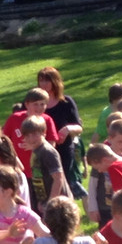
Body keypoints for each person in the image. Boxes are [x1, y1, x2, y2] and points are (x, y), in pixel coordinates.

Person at [39, 67, 85, 200]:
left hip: (63, 149)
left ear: (55, 82)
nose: (44, 84)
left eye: (47, 80)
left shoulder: (66, 102)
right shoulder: (34, 103)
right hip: (40, 149)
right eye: (41, 81)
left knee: (61, 181)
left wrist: (67, 129)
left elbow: (78, 126)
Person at [20, 115, 66, 215]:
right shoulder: (36, 150)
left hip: (58, 202)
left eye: (34, 134)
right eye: (27, 135)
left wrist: (51, 202)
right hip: (45, 199)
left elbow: (58, 179)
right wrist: (41, 201)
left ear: (44, 133)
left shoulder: (47, 151)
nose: (31, 138)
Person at [5, 88, 57, 177]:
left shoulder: (47, 120)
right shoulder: (15, 118)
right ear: (27, 104)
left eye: (42, 104)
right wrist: (12, 157)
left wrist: (36, 147)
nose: (39, 108)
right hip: (18, 168)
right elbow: (4, 139)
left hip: (40, 169)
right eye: (35, 104)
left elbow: (52, 143)